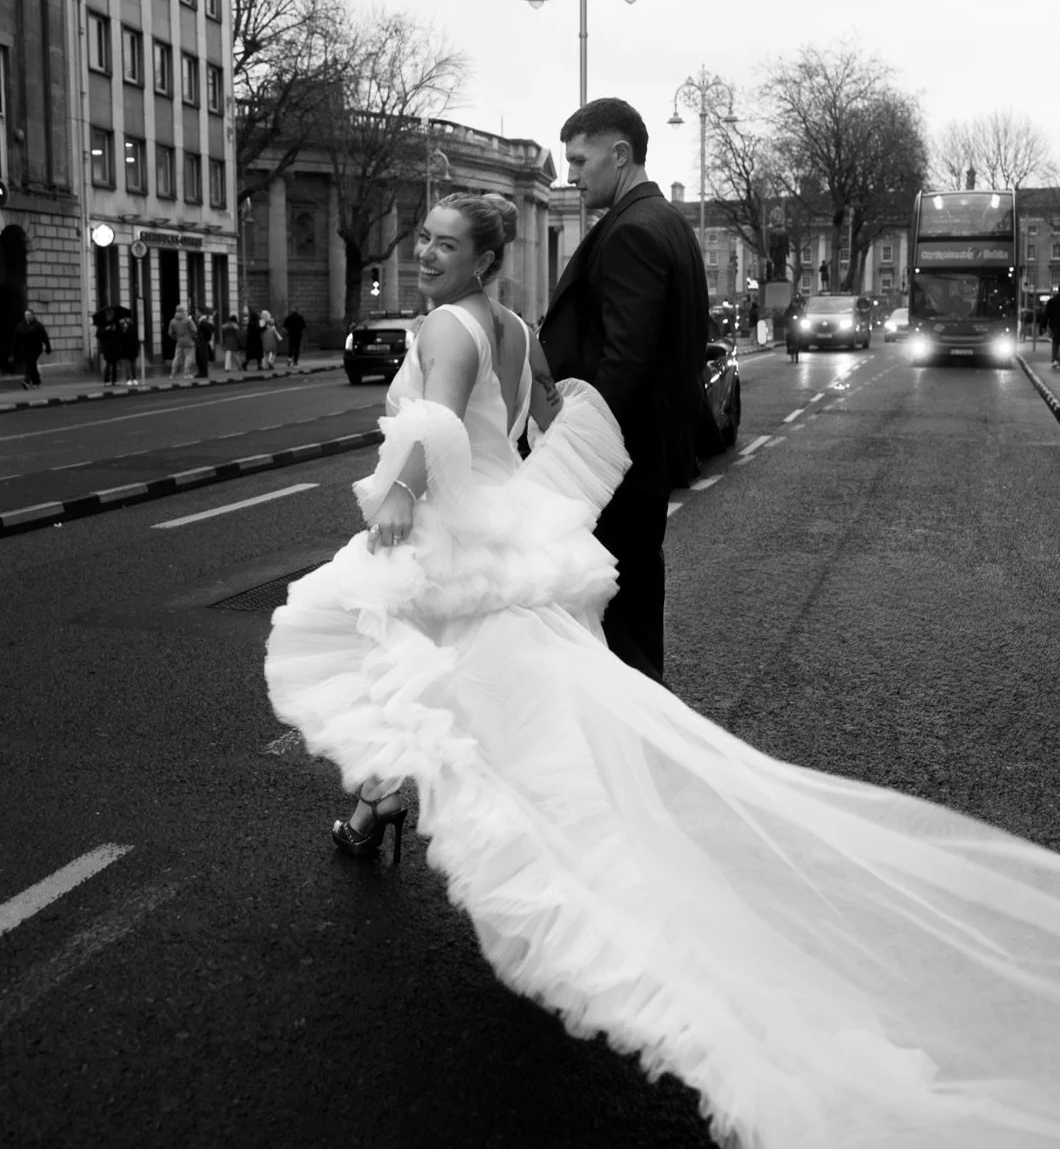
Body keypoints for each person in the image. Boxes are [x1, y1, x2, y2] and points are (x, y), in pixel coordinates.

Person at [265, 191, 1060, 1149]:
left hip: (450, 534)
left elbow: (434, 426)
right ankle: (378, 808)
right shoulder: (516, 326)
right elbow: (538, 416)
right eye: (422, 239)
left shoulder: (444, 324)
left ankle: (579, 879)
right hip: (501, 526)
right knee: (453, 686)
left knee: (422, 675)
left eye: (444, 244)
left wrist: (393, 500)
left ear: (481, 261)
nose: (424, 253)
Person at [539, 97, 709, 684]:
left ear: (620, 154)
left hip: (618, 468)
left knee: (619, 633)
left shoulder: (633, 231)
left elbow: (624, 365)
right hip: (644, 460)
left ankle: (639, 755)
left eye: (580, 160)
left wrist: (576, 464)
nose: (571, 175)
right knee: (631, 613)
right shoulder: (664, 221)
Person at [12, 308, 52, 389]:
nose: (27, 316)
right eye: (26, 315)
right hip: (25, 349)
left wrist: (48, 347)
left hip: (36, 349)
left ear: (33, 315)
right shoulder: (21, 325)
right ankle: (36, 382)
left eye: (29, 315)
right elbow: (16, 339)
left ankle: (26, 381)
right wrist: (13, 352)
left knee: (30, 364)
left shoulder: (38, 326)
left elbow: (45, 337)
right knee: (31, 365)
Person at [167, 305, 196, 380]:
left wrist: (176, 338)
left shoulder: (172, 321)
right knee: (188, 357)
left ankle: (172, 374)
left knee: (177, 357)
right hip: (189, 341)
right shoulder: (188, 320)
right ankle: (186, 374)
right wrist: (193, 337)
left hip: (179, 341)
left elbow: (170, 333)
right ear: (183, 311)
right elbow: (194, 330)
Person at [96, 308, 121, 387]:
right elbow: (99, 335)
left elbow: (119, 333)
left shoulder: (116, 322)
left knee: (114, 363)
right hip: (107, 347)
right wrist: (106, 330)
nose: (110, 316)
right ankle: (107, 380)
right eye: (109, 315)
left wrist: (115, 329)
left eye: (111, 314)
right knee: (108, 363)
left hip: (115, 346)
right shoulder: (103, 324)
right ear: (107, 315)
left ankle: (114, 380)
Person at [118, 314, 140, 386]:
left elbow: (135, 339)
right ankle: (128, 379)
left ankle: (134, 378)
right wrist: (123, 330)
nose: (126, 322)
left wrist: (137, 349)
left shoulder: (133, 328)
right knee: (127, 365)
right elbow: (121, 340)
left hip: (132, 350)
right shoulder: (122, 329)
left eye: (127, 321)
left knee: (133, 365)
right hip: (126, 350)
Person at [194, 309, 215, 379]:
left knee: (202, 357)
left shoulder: (203, 322)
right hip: (200, 342)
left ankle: (203, 373)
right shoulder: (201, 321)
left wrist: (204, 338)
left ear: (200, 313)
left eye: (197, 312)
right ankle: (201, 372)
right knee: (199, 357)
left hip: (202, 342)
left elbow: (210, 330)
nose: (195, 314)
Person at [785, 293, 805, 363]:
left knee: (802, 334)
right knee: (788, 335)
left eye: (796, 302)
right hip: (791, 325)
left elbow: (804, 316)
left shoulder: (800, 309)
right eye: (794, 302)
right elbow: (785, 316)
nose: (795, 304)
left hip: (798, 325)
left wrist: (803, 319)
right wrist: (787, 320)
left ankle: (801, 345)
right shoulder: (789, 309)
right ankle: (789, 347)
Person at [1043, 289, 1060, 369]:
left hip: (1055, 325)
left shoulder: (1052, 301)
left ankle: (1054, 360)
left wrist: (1043, 325)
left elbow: (1046, 314)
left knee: (1055, 341)